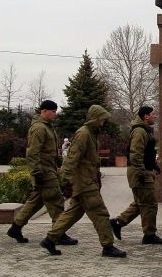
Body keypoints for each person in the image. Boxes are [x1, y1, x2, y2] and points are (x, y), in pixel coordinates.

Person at [40, 105, 126, 257]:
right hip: (85, 182)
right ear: (95, 119)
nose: (103, 123)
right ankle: (108, 246)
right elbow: (72, 158)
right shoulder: (83, 134)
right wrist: (65, 180)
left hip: (86, 180)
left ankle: (50, 239)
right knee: (100, 213)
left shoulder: (91, 133)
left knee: (73, 213)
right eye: (102, 120)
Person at [7, 100, 77, 246]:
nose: (55, 114)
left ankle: (16, 227)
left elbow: (49, 150)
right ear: (44, 111)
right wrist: (37, 173)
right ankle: (59, 233)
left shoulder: (47, 127)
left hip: (48, 169)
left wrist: (57, 162)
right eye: (53, 111)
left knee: (36, 201)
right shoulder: (39, 128)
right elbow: (32, 153)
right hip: (44, 171)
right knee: (56, 200)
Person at [110, 106, 162, 245]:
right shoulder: (140, 131)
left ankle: (118, 222)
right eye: (153, 114)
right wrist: (142, 172)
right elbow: (135, 154)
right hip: (140, 172)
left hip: (142, 171)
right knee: (150, 204)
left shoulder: (145, 130)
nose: (155, 116)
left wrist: (154, 166)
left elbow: (147, 153)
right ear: (146, 116)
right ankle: (149, 235)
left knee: (141, 202)